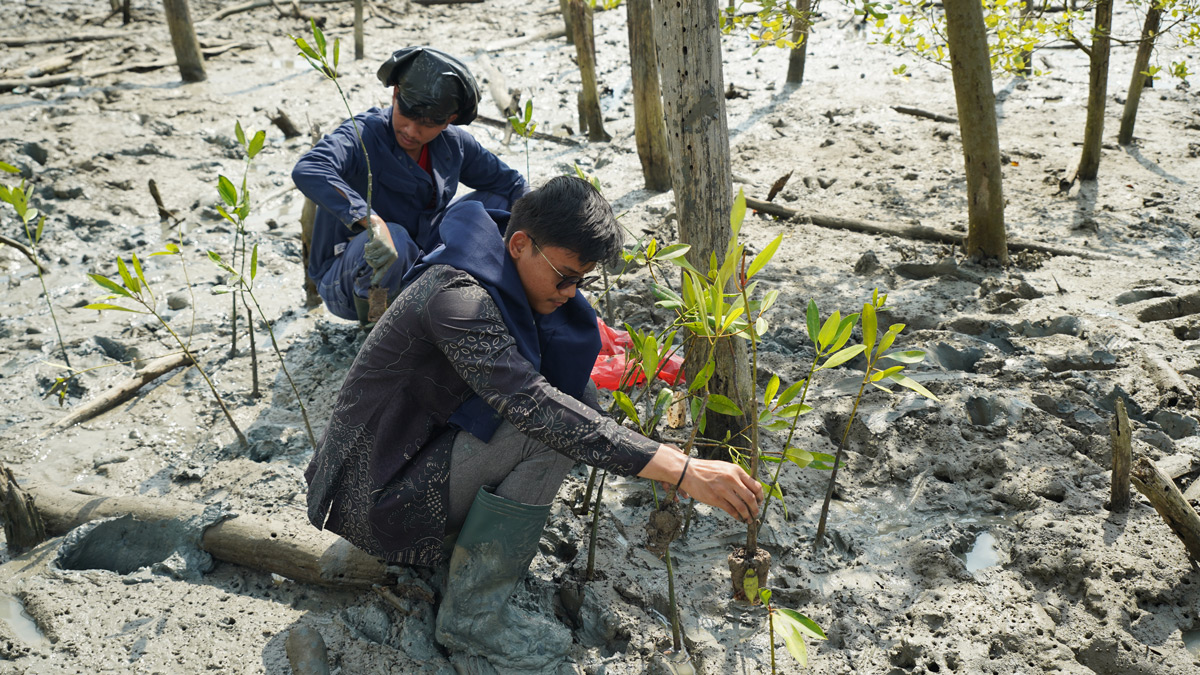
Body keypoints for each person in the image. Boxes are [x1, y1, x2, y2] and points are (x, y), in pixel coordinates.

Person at [304, 176, 763, 671]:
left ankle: (463, 554)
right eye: (563, 277)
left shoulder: (502, 270)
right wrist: (680, 468)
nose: (570, 293)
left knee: (578, 397)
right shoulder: (457, 298)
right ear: (519, 244)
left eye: (579, 282)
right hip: (366, 498)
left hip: (409, 458)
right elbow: (533, 405)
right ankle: (474, 615)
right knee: (545, 426)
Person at [292, 47, 529, 322]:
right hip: (345, 273)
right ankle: (377, 331)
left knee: (497, 203)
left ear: (448, 121)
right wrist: (370, 222)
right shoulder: (362, 134)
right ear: (395, 95)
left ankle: (492, 293)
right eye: (406, 114)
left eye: (427, 124)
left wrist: (547, 228)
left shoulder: (454, 144)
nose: (411, 131)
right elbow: (309, 167)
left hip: (421, 257)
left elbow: (513, 185)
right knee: (396, 238)